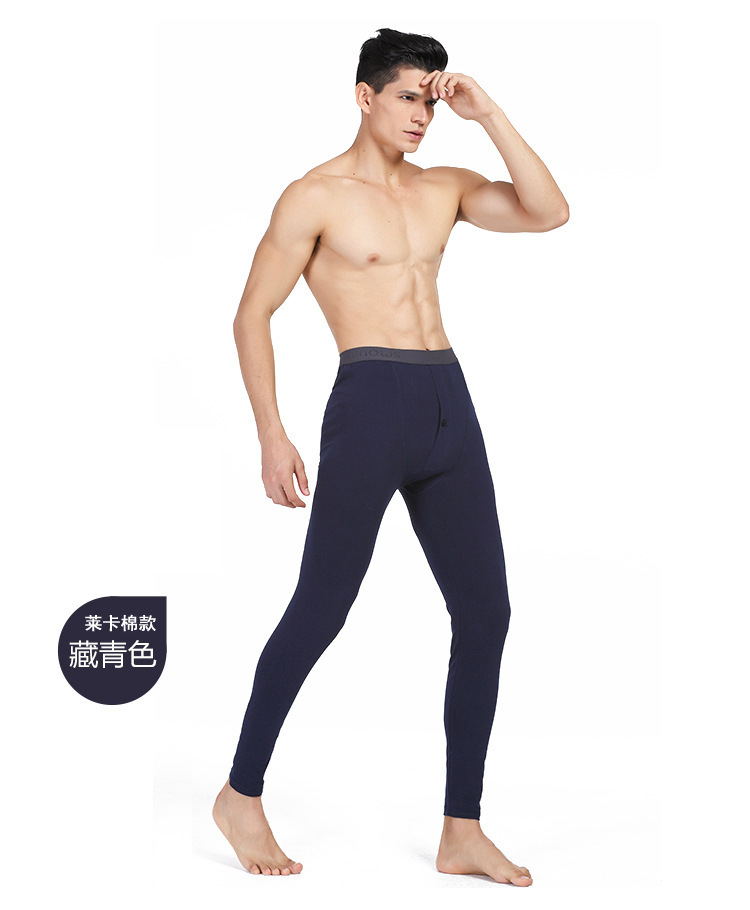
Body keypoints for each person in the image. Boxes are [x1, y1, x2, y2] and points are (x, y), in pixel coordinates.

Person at [213, 26, 568, 883]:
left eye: (430, 101)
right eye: (407, 97)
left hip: (449, 404)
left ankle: (461, 829)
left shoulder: (443, 187)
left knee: (486, 613)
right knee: (321, 608)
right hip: (370, 405)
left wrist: (489, 115)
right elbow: (251, 313)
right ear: (365, 96)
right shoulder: (314, 196)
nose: (420, 115)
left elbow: (549, 211)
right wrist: (271, 431)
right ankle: (240, 795)